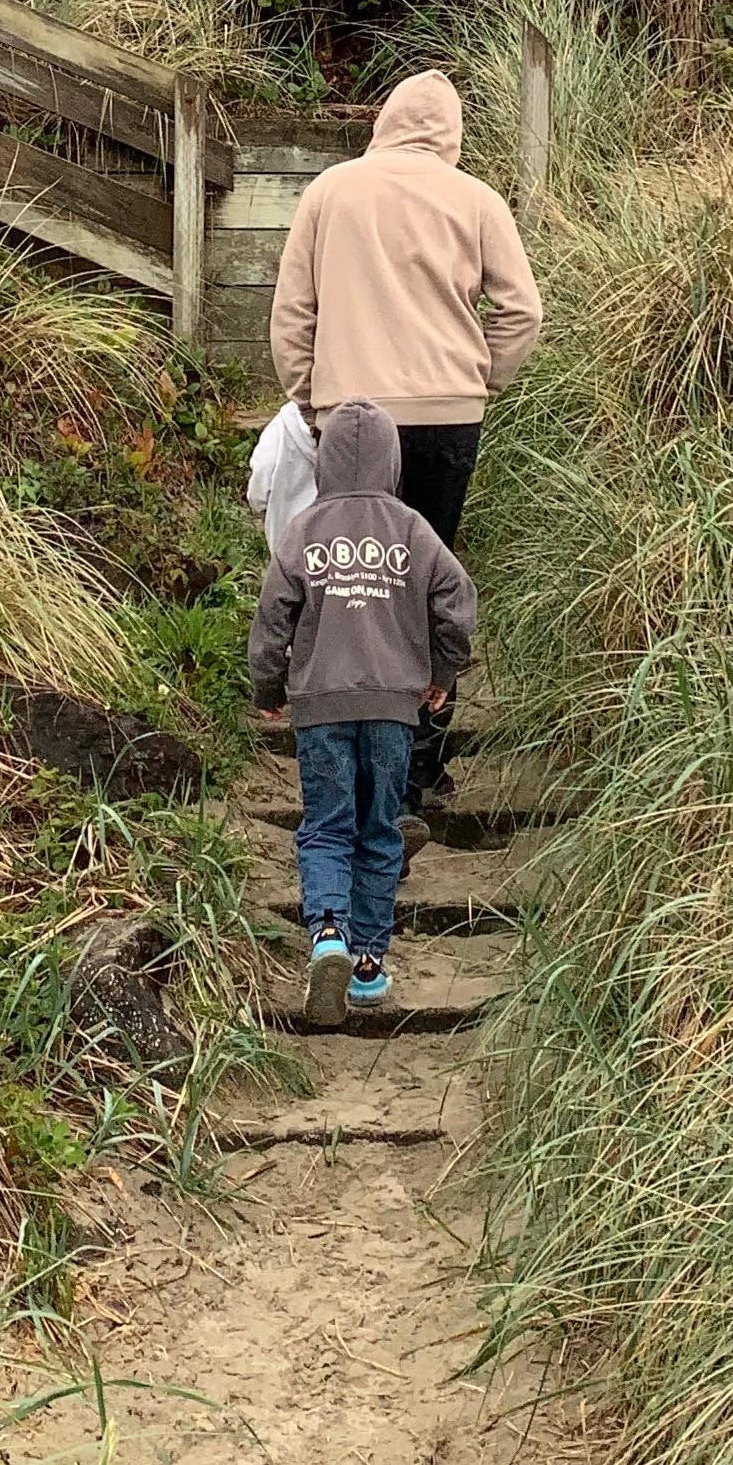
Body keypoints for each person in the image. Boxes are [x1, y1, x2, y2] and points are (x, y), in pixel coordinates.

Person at [266, 71, 541, 810]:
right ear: (452, 132)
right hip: (448, 418)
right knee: (421, 582)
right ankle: (419, 763)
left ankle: (345, 755)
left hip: (350, 420)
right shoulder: (477, 200)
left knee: (347, 580)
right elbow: (522, 311)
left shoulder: (330, 191)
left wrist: (309, 399)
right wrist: (480, 380)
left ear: (383, 120)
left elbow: (292, 314)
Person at [250, 399, 477, 1026]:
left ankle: (327, 931)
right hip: (393, 711)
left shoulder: (303, 531)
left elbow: (272, 617)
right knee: (380, 827)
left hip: (321, 707)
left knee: (326, 823)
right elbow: (456, 599)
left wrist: (268, 688)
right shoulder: (412, 530)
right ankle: (370, 965)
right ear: (392, 459)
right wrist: (441, 671)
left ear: (323, 461)